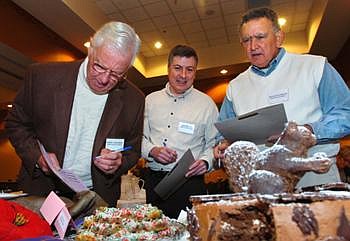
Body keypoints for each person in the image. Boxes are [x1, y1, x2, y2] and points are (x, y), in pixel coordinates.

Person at [5, 21, 144, 206]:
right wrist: (37, 156)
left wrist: (118, 162)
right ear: (91, 48)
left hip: (95, 198)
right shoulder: (42, 77)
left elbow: (133, 150)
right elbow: (16, 124)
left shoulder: (134, 99)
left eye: (116, 74)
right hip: (42, 192)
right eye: (99, 66)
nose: (104, 79)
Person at [214, 7, 350, 188]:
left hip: (313, 175)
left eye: (260, 37)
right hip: (261, 184)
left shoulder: (315, 67)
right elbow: (223, 134)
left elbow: (345, 113)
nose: (253, 46)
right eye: (246, 40)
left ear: (279, 37)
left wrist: (308, 130)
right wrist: (223, 145)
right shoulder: (235, 87)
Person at [141, 45, 219, 218]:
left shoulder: (207, 104)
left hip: (190, 183)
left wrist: (206, 161)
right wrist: (152, 150)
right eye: (178, 68)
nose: (183, 75)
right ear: (168, 69)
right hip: (154, 182)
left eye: (189, 69)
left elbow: (214, 144)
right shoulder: (150, 100)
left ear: (195, 72)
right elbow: (139, 138)